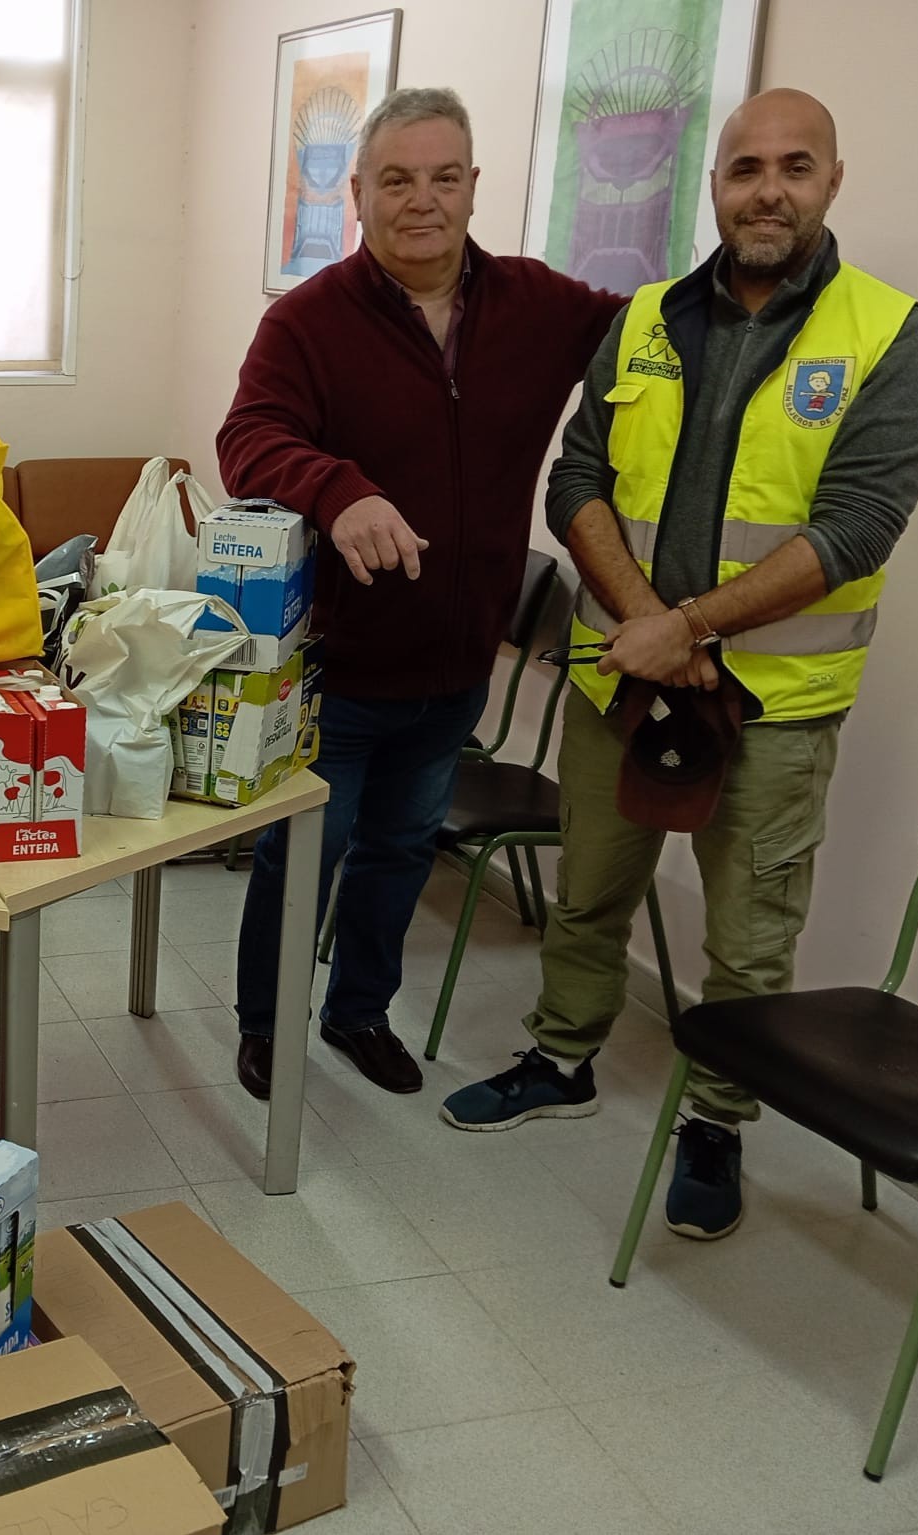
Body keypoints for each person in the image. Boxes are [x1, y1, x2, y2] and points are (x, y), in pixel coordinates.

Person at [439, 90, 918, 1241]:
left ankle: (717, 1120)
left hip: (772, 705)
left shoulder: (883, 333)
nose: (769, 189)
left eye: (796, 166)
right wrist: (647, 622)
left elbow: (858, 525)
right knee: (587, 892)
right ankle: (562, 1057)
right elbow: (578, 478)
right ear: (714, 182)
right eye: (746, 167)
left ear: (833, 180)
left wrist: (695, 627)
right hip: (623, 674)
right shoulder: (650, 319)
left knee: (749, 940)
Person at [219, 87, 622, 1100]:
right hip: (341, 669)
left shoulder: (540, 306)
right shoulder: (307, 320)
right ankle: (267, 1025)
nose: (422, 200)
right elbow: (248, 442)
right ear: (357, 193)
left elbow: (654, 335)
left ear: (475, 187)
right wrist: (337, 487)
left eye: (445, 177)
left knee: (400, 852)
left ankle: (358, 1012)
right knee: (305, 852)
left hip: (457, 667)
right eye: (396, 180)